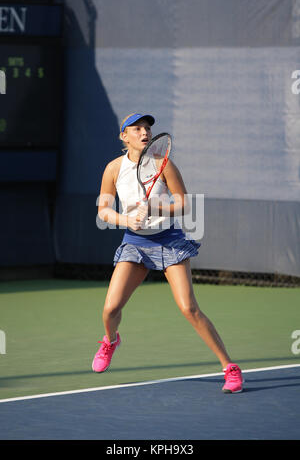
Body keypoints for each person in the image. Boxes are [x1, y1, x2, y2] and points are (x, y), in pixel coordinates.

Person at [92, 113, 244, 394]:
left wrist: (155, 209)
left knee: (189, 308)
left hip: (170, 241)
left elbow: (185, 203)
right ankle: (111, 341)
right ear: (124, 137)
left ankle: (230, 368)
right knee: (111, 308)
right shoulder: (113, 169)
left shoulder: (164, 165)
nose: (144, 132)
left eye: (147, 128)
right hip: (134, 242)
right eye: (136, 129)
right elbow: (103, 210)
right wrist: (127, 220)